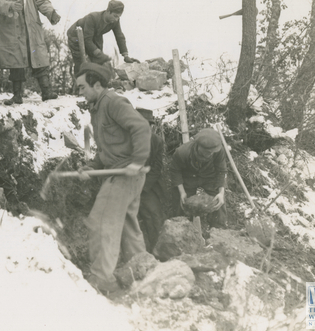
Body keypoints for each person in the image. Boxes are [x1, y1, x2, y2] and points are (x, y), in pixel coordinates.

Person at [75, 63, 151, 293]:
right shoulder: (97, 108)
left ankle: (101, 279)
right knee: (128, 227)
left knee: (100, 224)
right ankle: (143, 274)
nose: (80, 93)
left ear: (97, 85)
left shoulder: (113, 102)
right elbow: (107, 150)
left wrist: (137, 162)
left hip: (125, 175)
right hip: (122, 173)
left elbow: (142, 127)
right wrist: (91, 166)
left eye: (82, 87)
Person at [168, 128, 228, 228]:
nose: (211, 154)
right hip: (188, 176)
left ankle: (219, 229)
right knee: (181, 202)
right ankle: (179, 228)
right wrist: (182, 192)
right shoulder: (182, 152)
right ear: (198, 146)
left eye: (212, 152)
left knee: (218, 202)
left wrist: (221, 193)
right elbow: (175, 171)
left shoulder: (218, 150)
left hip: (208, 176)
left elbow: (221, 171)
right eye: (208, 152)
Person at [67, 0, 140, 75]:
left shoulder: (115, 21)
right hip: (76, 35)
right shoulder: (92, 17)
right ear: (108, 11)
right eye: (115, 16)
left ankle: (94, 83)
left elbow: (119, 36)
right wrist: (99, 54)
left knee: (98, 62)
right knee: (81, 63)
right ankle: (79, 83)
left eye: (118, 17)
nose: (116, 19)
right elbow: (87, 39)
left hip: (95, 35)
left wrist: (126, 56)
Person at [135, 108, 166, 253]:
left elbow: (156, 168)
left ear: (151, 126)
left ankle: (159, 249)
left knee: (155, 215)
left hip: (147, 185)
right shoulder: (124, 141)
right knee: (140, 216)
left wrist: (143, 187)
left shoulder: (156, 141)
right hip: (127, 185)